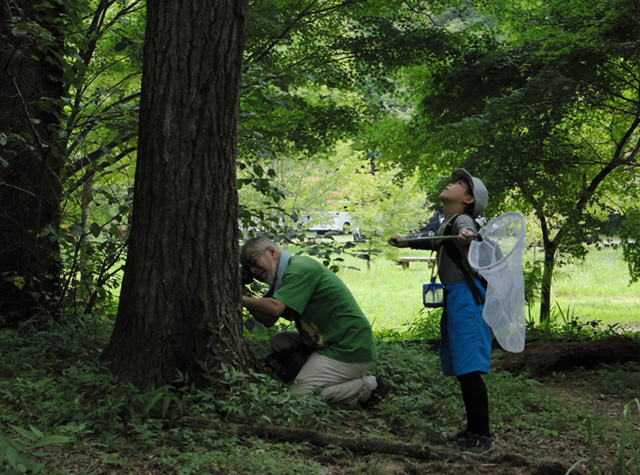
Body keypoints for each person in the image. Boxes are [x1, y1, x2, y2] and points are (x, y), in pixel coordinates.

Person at [389, 169, 494, 455]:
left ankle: (482, 438)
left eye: (460, 184)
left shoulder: (462, 220)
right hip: (457, 298)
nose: (453, 184)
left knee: (470, 368)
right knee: (463, 367)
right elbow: (435, 242)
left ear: (469, 198)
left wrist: (467, 235)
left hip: (468, 299)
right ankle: (472, 431)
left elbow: (468, 233)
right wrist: (406, 241)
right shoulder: (448, 221)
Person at [240, 236, 389, 406]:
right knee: (280, 342)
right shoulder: (284, 275)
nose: (252, 270)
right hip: (328, 340)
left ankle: (369, 385)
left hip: (349, 346)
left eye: (253, 261)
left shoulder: (299, 269)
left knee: (299, 397)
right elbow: (269, 319)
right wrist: (246, 297)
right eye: (247, 267)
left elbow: (275, 308)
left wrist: (239, 299)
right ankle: (316, 376)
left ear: (272, 252)